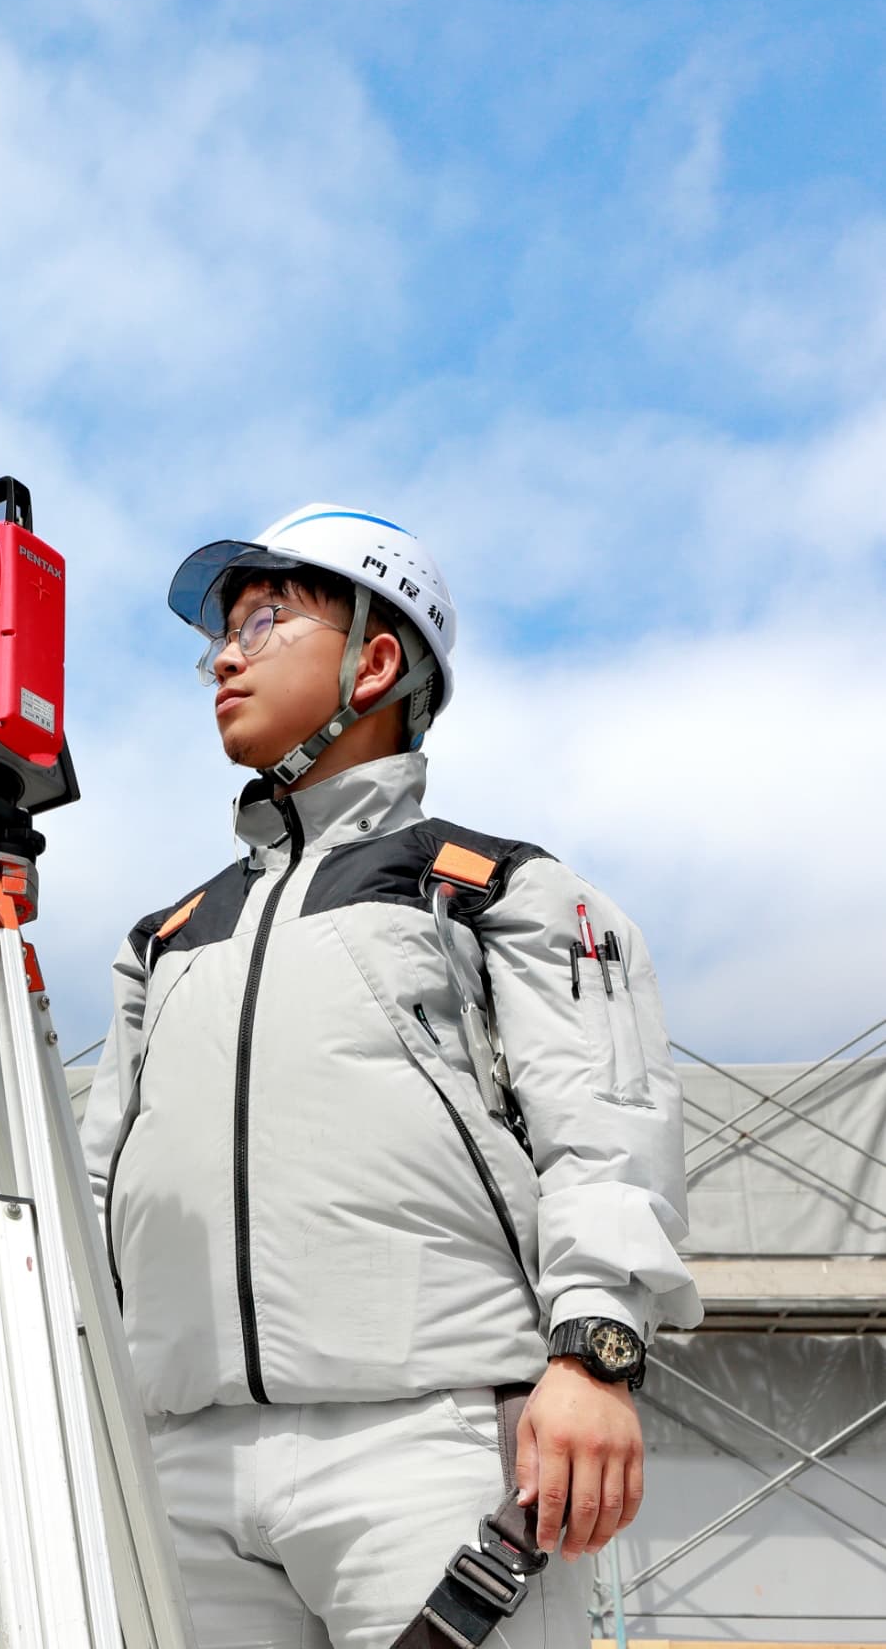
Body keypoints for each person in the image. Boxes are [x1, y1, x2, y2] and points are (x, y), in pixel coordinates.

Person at [81, 503, 699, 1649]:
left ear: (374, 661)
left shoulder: (492, 888)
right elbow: (100, 1182)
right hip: (178, 1460)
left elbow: (606, 1131)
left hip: (432, 1444)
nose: (224, 654)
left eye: (266, 619)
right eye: (221, 632)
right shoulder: (163, 938)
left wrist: (596, 1355)